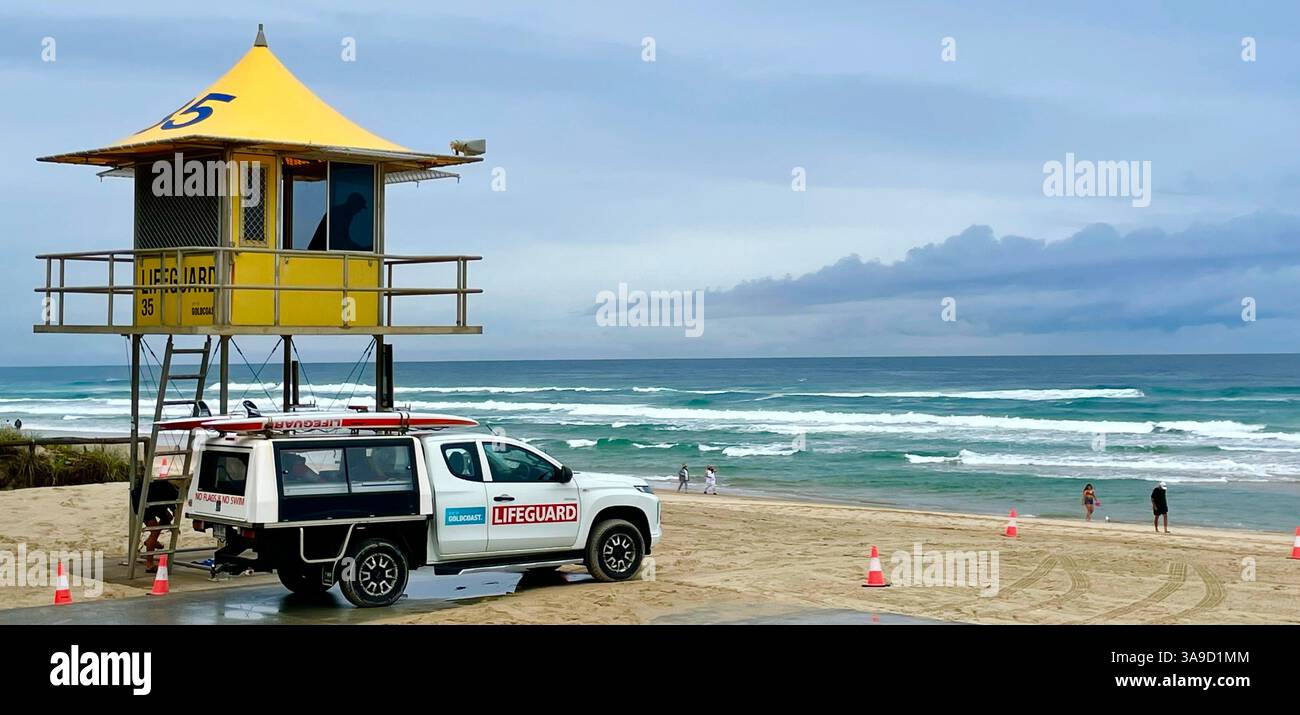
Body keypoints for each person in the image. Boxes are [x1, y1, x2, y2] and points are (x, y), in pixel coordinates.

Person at [130, 474, 179, 573]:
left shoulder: (168, 488)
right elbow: (174, 509)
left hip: (152, 500)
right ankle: (149, 564)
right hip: (143, 501)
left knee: (167, 518)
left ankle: (151, 541)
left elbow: (171, 509)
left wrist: (171, 523)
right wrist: (173, 526)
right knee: (154, 530)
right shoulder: (173, 491)